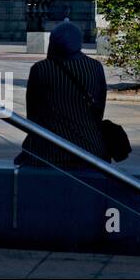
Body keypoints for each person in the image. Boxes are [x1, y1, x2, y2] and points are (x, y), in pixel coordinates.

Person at [16, 20, 111, 169]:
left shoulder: (41, 68)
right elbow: (100, 107)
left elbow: (32, 113)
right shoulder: (95, 67)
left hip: (48, 150)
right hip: (91, 150)